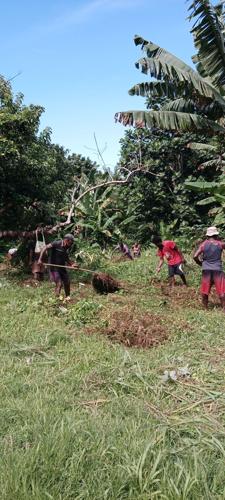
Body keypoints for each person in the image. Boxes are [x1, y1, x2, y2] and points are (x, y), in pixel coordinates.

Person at [193, 226, 225, 310]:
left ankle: (205, 308)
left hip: (206, 269)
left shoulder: (204, 244)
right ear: (216, 235)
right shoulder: (220, 244)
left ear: (207, 235)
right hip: (217, 269)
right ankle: (224, 308)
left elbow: (195, 256)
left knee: (205, 289)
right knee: (221, 290)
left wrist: (201, 263)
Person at [38, 234, 77, 301]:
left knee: (67, 282)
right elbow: (45, 247)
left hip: (62, 267)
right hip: (53, 268)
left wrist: (72, 264)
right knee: (59, 283)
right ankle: (56, 300)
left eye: (72, 243)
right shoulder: (56, 243)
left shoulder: (66, 247)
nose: (71, 245)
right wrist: (40, 259)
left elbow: (66, 258)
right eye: (70, 242)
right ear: (66, 240)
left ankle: (68, 297)